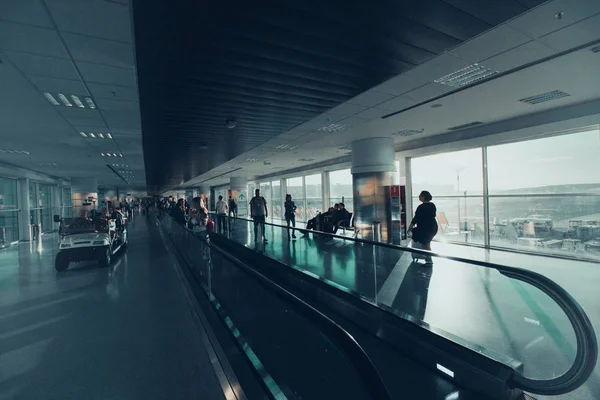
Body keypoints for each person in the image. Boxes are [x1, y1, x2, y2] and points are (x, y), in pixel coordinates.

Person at [407, 190, 437, 265]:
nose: (419, 197)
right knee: (427, 243)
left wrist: (409, 229)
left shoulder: (421, 207)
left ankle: (429, 260)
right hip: (433, 227)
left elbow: (415, 219)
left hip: (425, 229)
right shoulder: (432, 205)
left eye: (420, 195)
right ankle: (428, 259)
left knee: (425, 244)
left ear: (423, 197)